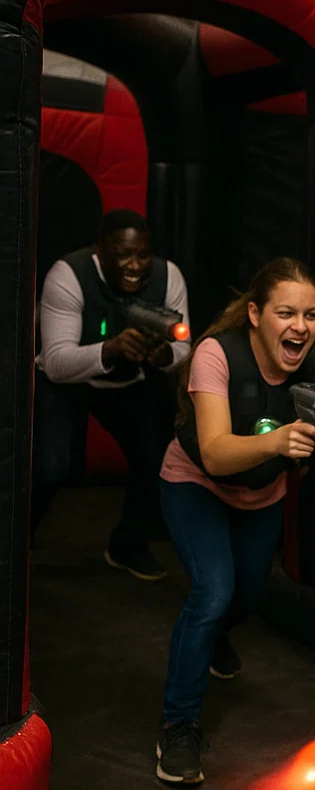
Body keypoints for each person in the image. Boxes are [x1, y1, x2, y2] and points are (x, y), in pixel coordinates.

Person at [155, 257, 315, 786]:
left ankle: (215, 634)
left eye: (310, 315)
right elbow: (218, 454)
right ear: (255, 314)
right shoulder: (215, 354)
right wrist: (276, 440)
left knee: (244, 597)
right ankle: (178, 727)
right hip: (195, 482)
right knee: (212, 591)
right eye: (286, 313)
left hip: (262, 494)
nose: (300, 327)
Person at [33, 208, 190, 581]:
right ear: (100, 250)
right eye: (123, 254)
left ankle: (128, 546)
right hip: (67, 382)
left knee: (159, 460)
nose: (135, 265)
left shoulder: (169, 277)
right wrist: (111, 349)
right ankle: (13, 544)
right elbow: (55, 361)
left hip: (127, 383)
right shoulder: (69, 275)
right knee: (51, 466)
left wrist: (164, 355)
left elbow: (184, 349)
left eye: (142, 254)